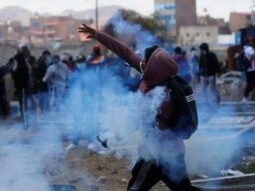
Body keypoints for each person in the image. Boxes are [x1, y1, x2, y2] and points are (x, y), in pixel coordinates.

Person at [78, 24, 200, 191]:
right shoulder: (161, 77)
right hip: (175, 152)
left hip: (156, 155)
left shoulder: (159, 94)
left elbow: (137, 121)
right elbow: (126, 53)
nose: (141, 62)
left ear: (153, 66)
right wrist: (98, 35)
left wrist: (111, 137)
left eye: (145, 61)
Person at [12, 52, 30, 118]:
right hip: (21, 87)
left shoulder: (22, 67)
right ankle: (24, 117)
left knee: (23, 103)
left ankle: (25, 118)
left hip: (22, 88)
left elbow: (15, 76)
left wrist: (13, 70)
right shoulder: (22, 66)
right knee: (22, 103)